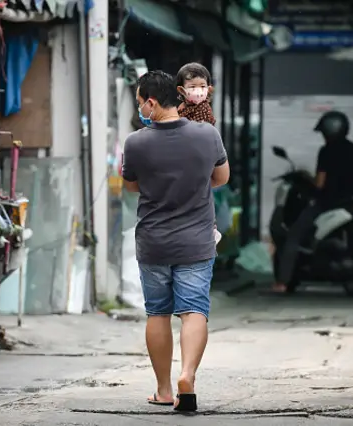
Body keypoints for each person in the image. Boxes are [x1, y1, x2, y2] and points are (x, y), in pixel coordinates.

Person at [122, 70, 229, 412]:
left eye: (141, 103)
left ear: (152, 102)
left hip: (153, 242)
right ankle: (188, 376)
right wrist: (195, 184)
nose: (141, 110)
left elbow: (131, 185)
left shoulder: (136, 142)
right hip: (196, 241)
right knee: (194, 310)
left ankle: (164, 390)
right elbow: (221, 177)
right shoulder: (207, 134)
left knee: (158, 313)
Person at [272, 111, 353, 293]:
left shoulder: (326, 151)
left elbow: (320, 183)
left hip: (328, 203)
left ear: (329, 132)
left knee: (294, 235)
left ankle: (282, 282)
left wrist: (308, 178)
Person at [175, 62, 220, 244]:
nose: (198, 91)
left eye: (202, 87)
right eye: (192, 87)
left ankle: (208, 228)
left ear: (209, 89)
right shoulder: (183, 108)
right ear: (182, 90)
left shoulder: (203, 111)